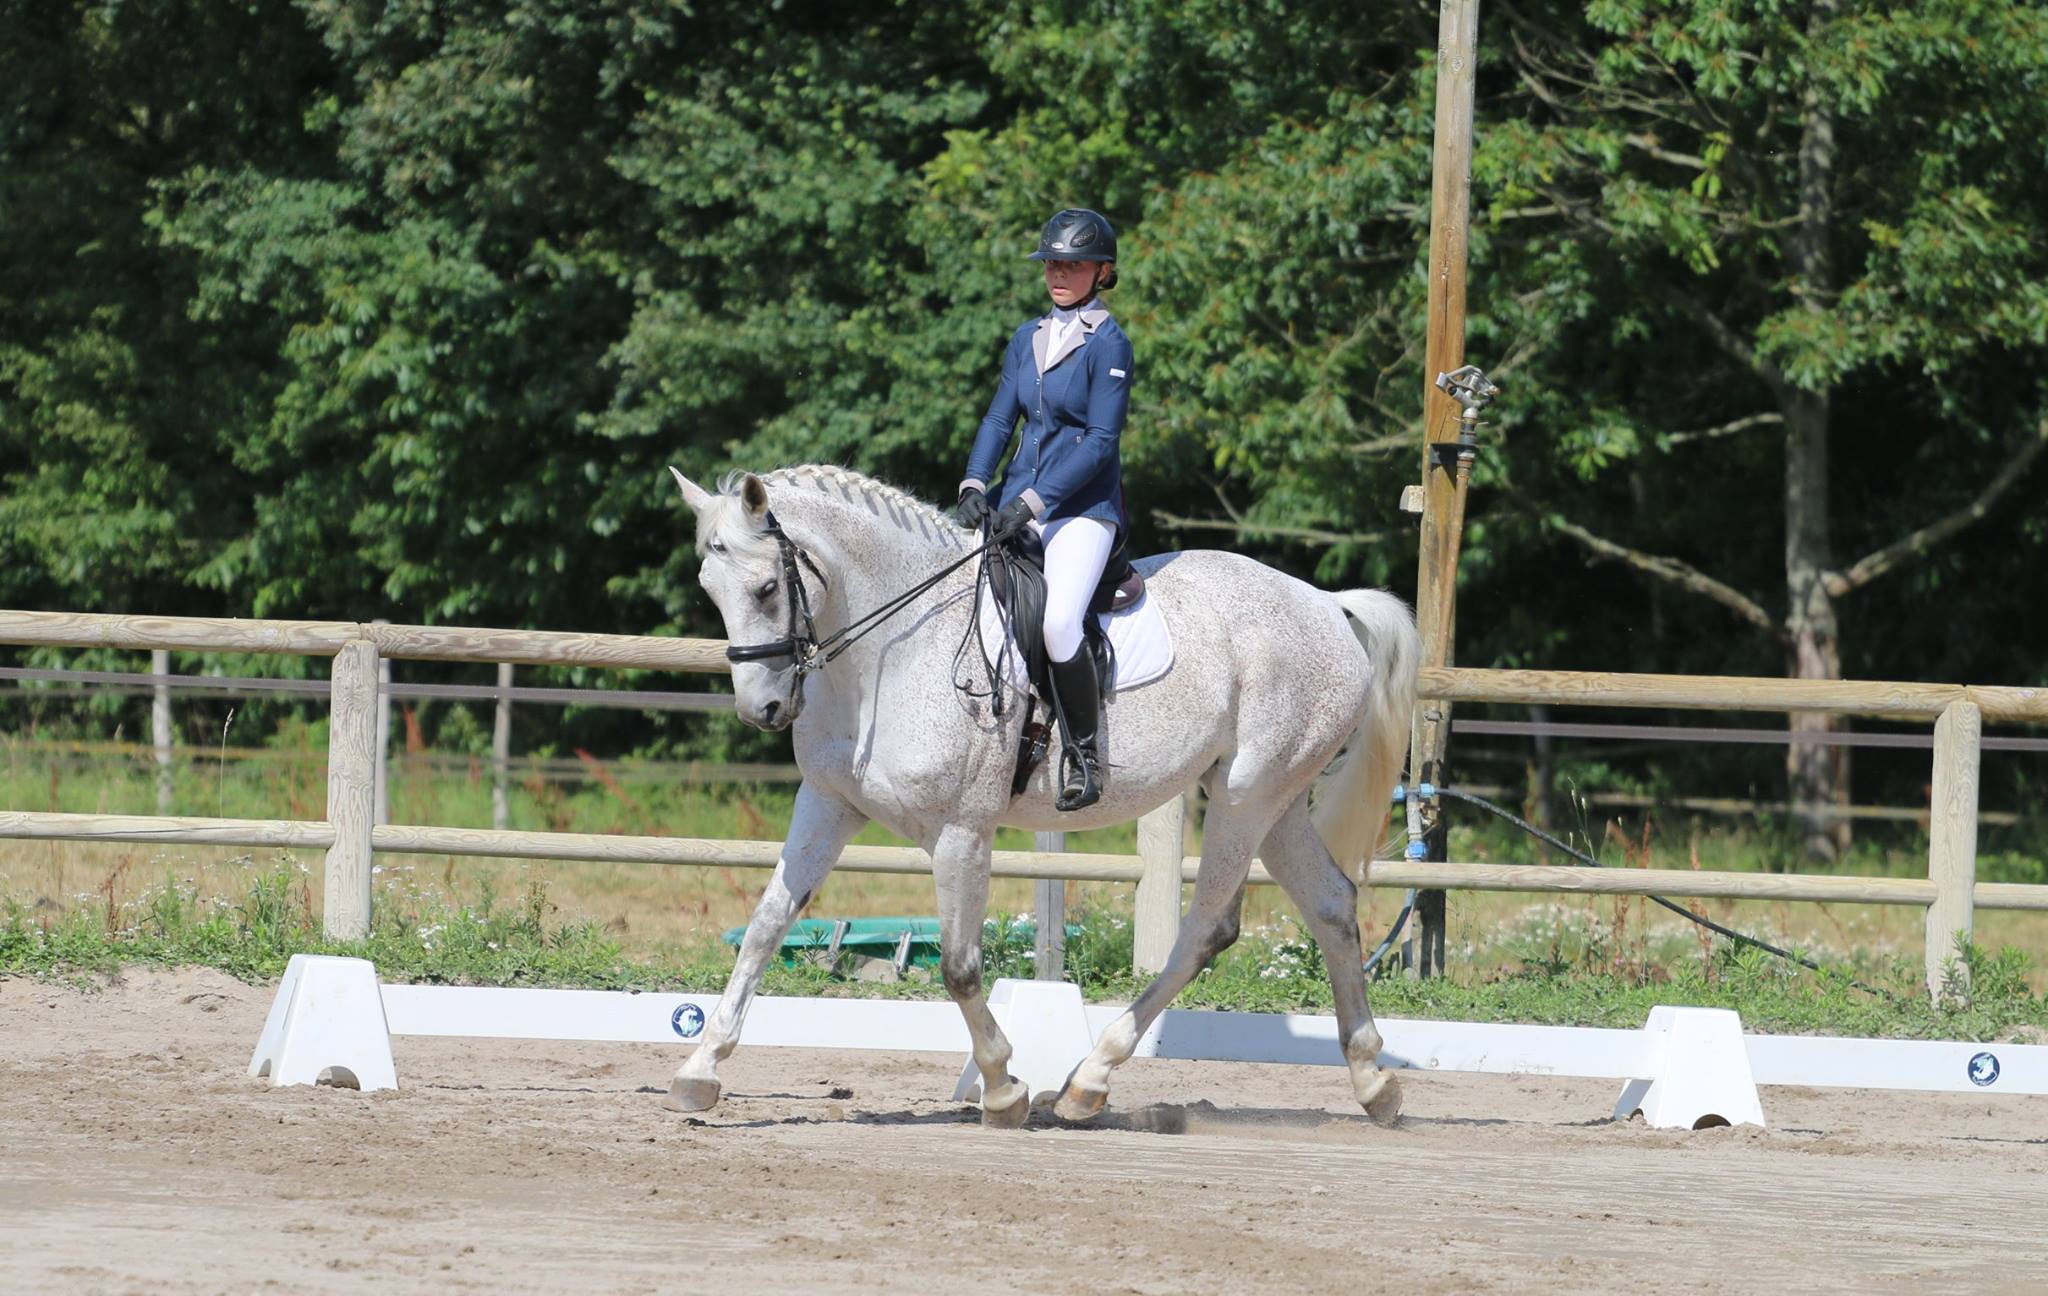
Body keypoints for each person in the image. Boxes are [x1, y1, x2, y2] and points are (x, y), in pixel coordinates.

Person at [955, 207, 1132, 812]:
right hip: (1013, 505)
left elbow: (1100, 443)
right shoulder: (1026, 337)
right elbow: (1002, 417)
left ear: (1101, 272)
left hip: (1081, 510)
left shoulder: (1109, 344)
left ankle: (1084, 756)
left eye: (1074, 264)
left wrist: (1031, 503)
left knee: (1058, 623)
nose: (1060, 272)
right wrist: (975, 482)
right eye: (1053, 262)